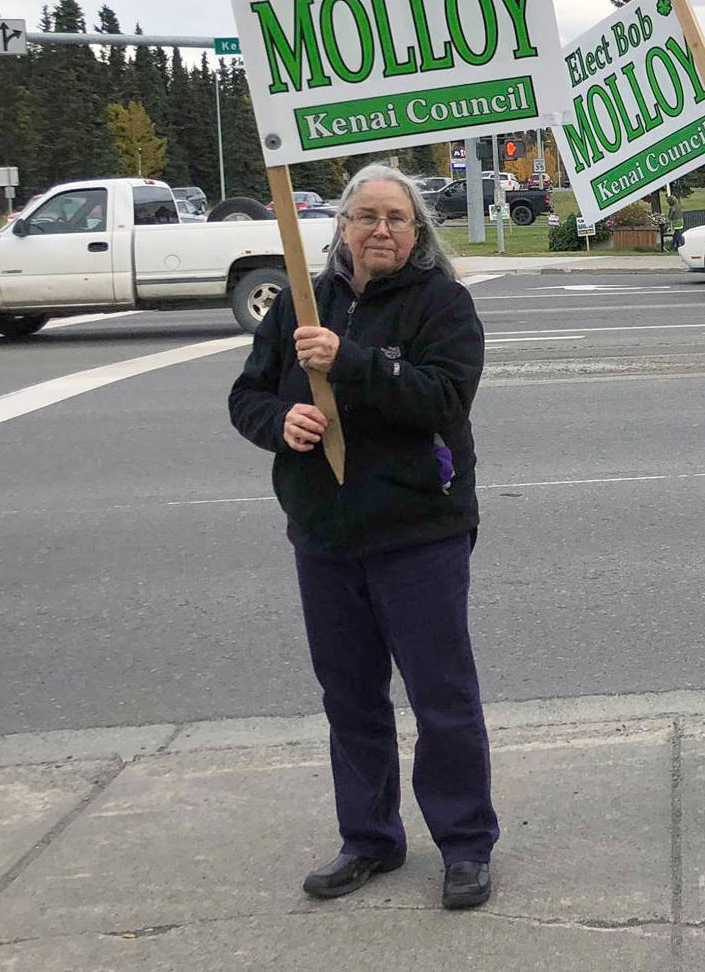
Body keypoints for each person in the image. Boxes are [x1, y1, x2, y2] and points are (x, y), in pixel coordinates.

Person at [228, 163, 497, 910]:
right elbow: (246, 394)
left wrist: (350, 361)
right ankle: (370, 836)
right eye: (366, 216)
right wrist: (281, 423)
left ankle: (466, 842)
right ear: (342, 226)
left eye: (397, 218)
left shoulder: (443, 304)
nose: (381, 229)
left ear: (417, 233)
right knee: (350, 697)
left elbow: (443, 396)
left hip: (419, 532)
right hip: (324, 534)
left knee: (442, 696)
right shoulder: (299, 306)